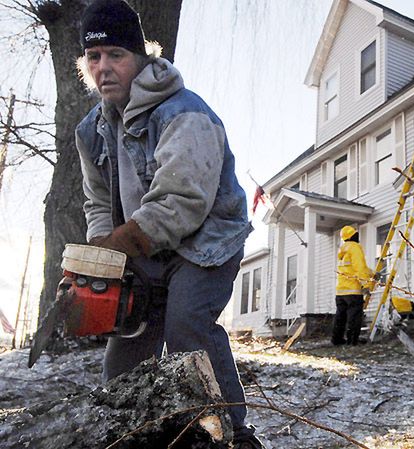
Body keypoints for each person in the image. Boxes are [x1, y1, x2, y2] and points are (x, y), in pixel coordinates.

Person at [74, 1, 263, 447]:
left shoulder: (183, 111)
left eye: (115, 55)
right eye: (93, 58)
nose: (104, 68)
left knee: (187, 327)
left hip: (206, 240)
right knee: (129, 335)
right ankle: (126, 430)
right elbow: (96, 200)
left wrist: (118, 245)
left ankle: (233, 434)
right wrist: (99, 254)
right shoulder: (90, 131)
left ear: (141, 57)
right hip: (146, 246)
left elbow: (182, 199)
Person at [332, 225, 373, 346]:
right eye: (356, 234)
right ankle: (352, 342)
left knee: (340, 317)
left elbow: (354, 268)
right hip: (353, 291)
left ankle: (337, 340)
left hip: (340, 291)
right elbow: (359, 267)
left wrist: (373, 273)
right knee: (354, 318)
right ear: (353, 236)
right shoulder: (355, 247)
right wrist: (365, 284)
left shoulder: (342, 249)